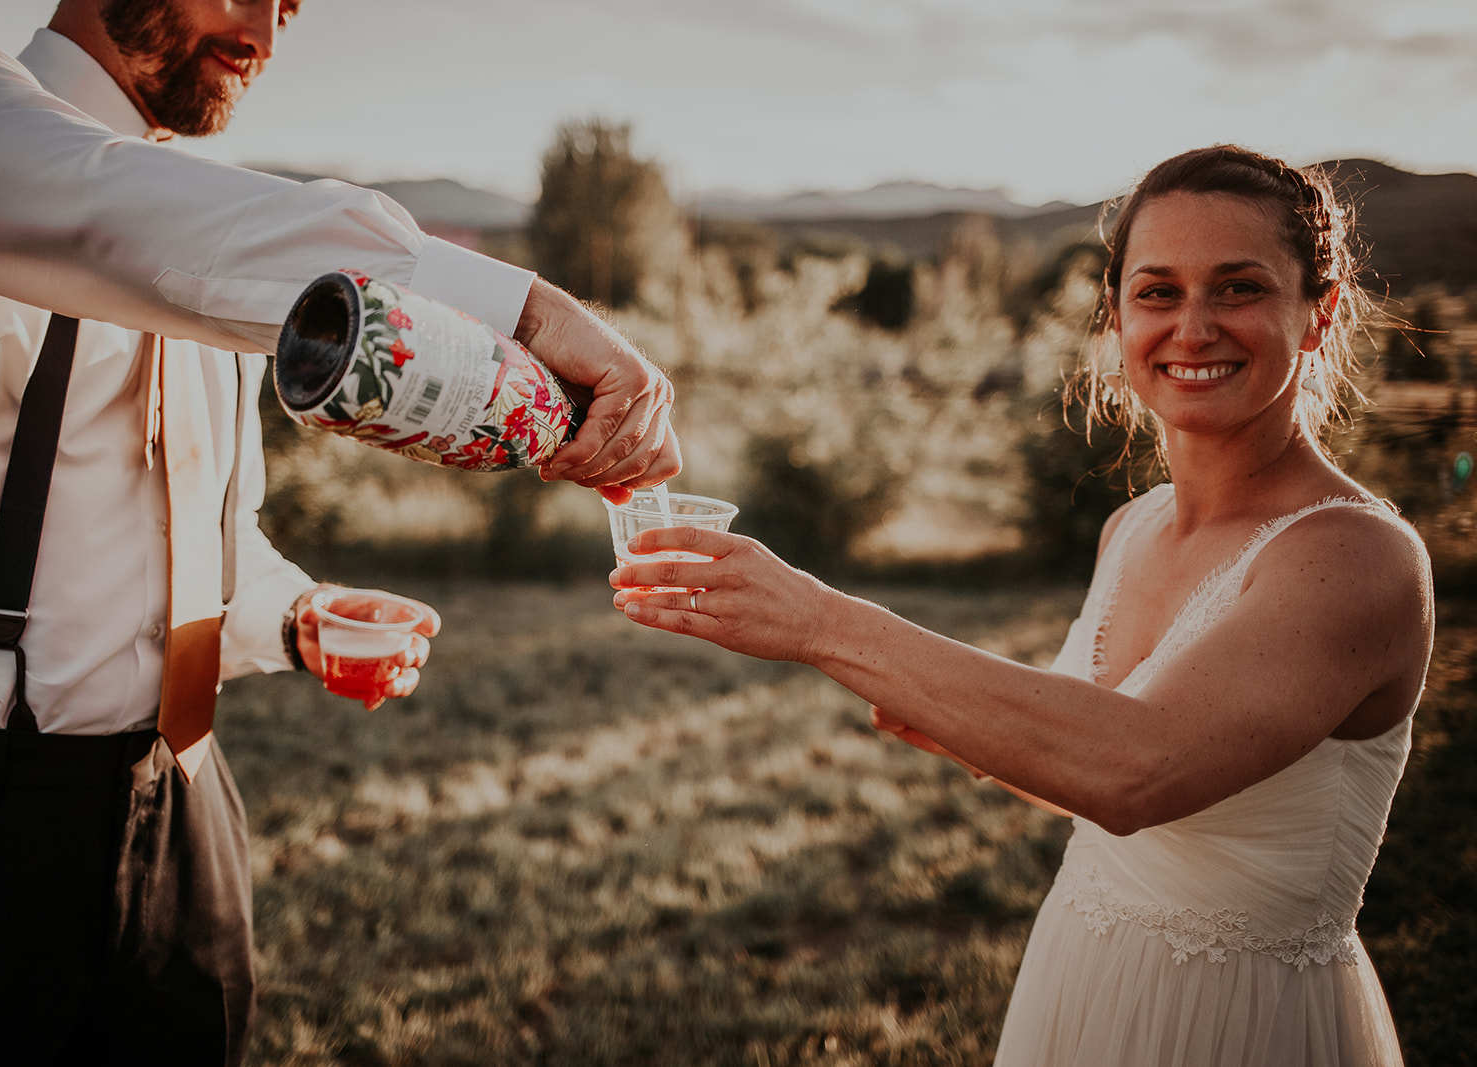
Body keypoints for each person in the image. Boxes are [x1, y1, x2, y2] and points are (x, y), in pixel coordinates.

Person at [0, 1, 678, 1063]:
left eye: (289, 5)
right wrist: (524, 313)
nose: (261, 28)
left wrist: (296, 615)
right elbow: (105, 210)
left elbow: (205, 535)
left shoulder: (215, 251)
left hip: (183, 806)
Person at [610, 145, 1432, 1065]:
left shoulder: (1357, 556)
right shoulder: (1132, 527)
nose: (1192, 327)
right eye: (1157, 292)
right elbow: (1085, 776)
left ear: (1316, 317)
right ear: (1116, 316)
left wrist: (818, 621)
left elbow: (1139, 770)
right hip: (1080, 980)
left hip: (1245, 1022)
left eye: (1238, 288)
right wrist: (963, 725)